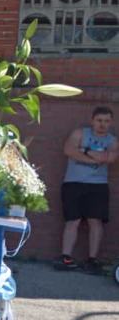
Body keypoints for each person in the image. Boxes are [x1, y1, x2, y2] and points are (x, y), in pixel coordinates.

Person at [56, 106, 118, 272]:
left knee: (95, 221)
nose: (102, 124)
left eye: (106, 121)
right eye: (99, 120)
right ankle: (65, 257)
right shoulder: (80, 133)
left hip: (98, 185)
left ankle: (92, 260)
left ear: (111, 122)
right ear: (92, 120)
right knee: (72, 221)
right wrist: (93, 158)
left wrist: (84, 150)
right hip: (73, 183)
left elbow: (110, 157)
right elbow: (69, 150)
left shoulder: (112, 141)